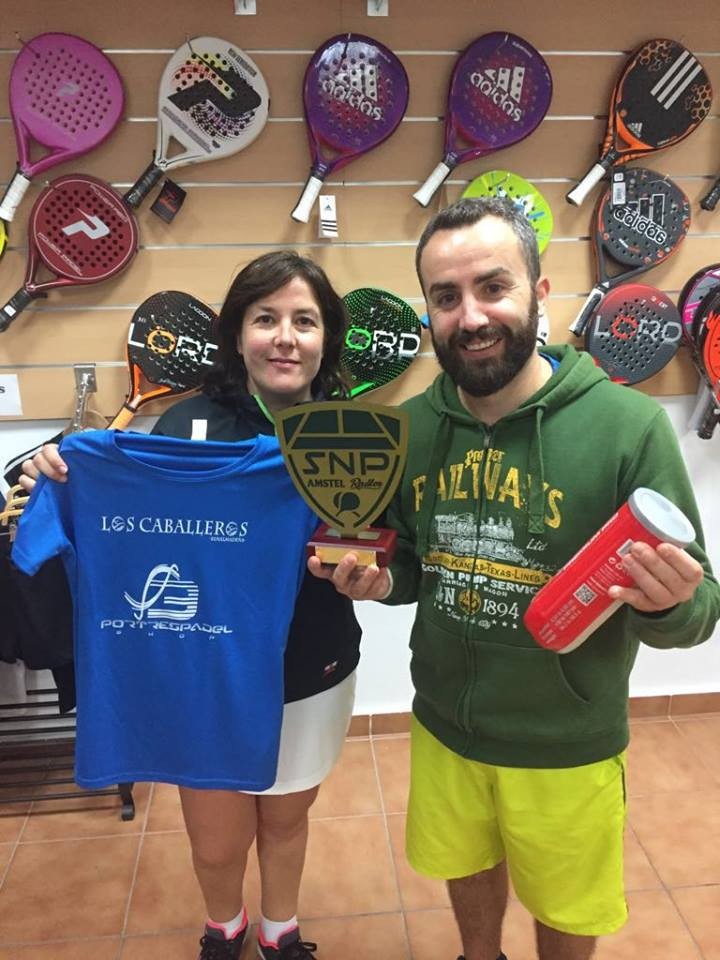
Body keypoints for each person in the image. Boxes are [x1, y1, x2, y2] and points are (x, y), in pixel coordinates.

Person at [309, 197, 720, 960]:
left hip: (565, 739)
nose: (471, 317)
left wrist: (671, 605)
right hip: (446, 723)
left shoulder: (627, 429)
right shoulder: (413, 428)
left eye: (493, 287)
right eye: (446, 296)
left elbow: (700, 609)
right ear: (429, 311)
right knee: (466, 866)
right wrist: (379, 582)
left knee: (566, 904)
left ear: (540, 291)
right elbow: (411, 565)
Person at [21, 250, 362, 960]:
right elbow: (129, 512)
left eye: (304, 321)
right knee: (215, 834)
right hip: (202, 669)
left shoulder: (349, 435)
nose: (285, 337)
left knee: (286, 818)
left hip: (313, 666)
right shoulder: (186, 425)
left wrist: (368, 566)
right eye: (265, 319)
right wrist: (62, 474)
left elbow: (384, 541)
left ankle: (280, 930)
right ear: (237, 333)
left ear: (326, 336)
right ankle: (224, 926)